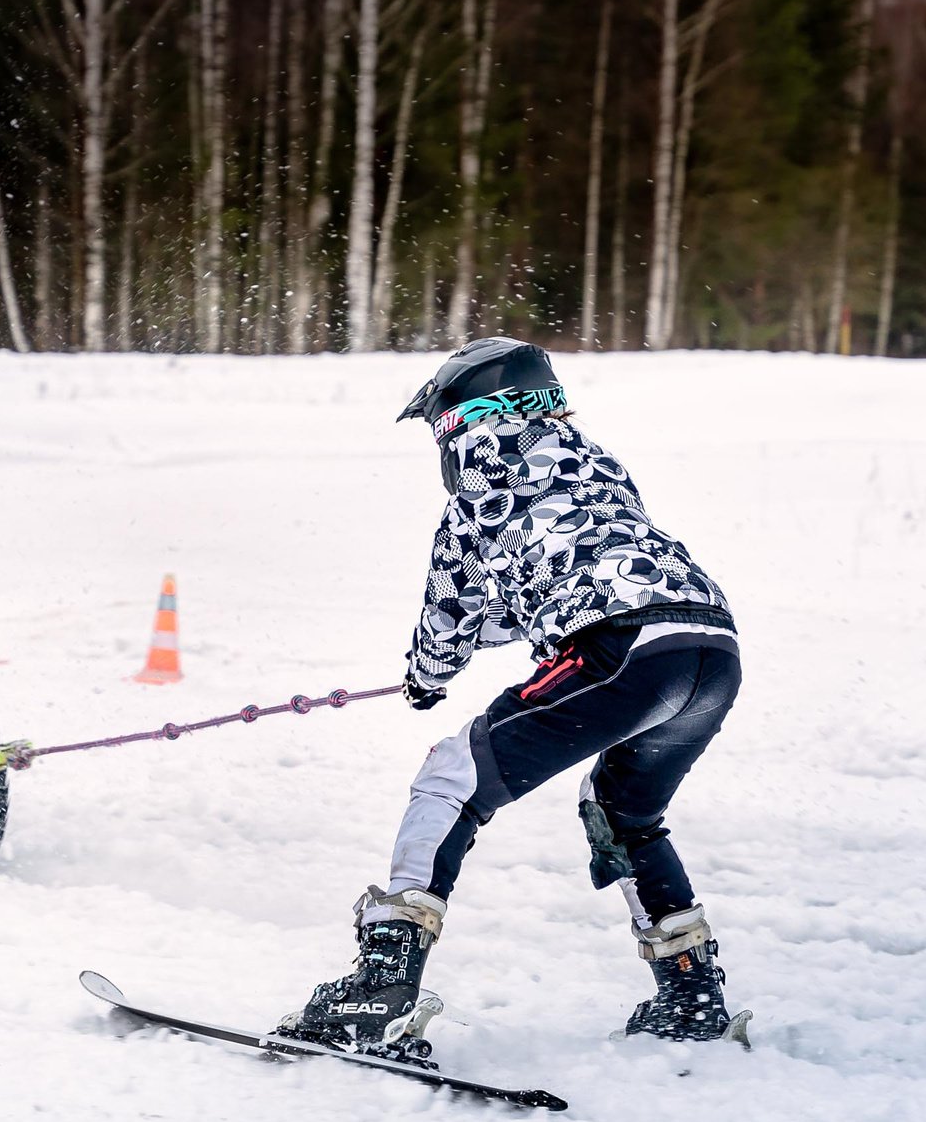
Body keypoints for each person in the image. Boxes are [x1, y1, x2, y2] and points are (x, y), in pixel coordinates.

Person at [281, 337, 749, 1055]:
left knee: (451, 773)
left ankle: (380, 987)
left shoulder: (481, 477)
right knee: (623, 811)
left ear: (465, 416)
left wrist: (428, 677)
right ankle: (690, 989)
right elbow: (551, 580)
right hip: (710, 646)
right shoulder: (594, 464)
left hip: (620, 647)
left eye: (440, 425)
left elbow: (452, 610)